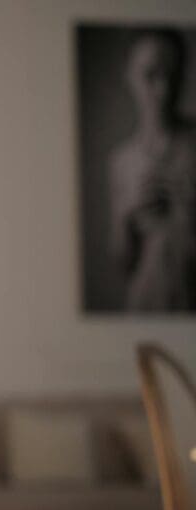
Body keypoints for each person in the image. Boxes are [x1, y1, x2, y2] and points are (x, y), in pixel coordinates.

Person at [108, 28, 196, 312]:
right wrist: (125, 215)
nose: (163, 90)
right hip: (144, 306)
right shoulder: (121, 160)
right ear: (130, 77)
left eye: (172, 75)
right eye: (150, 75)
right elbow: (122, 266)